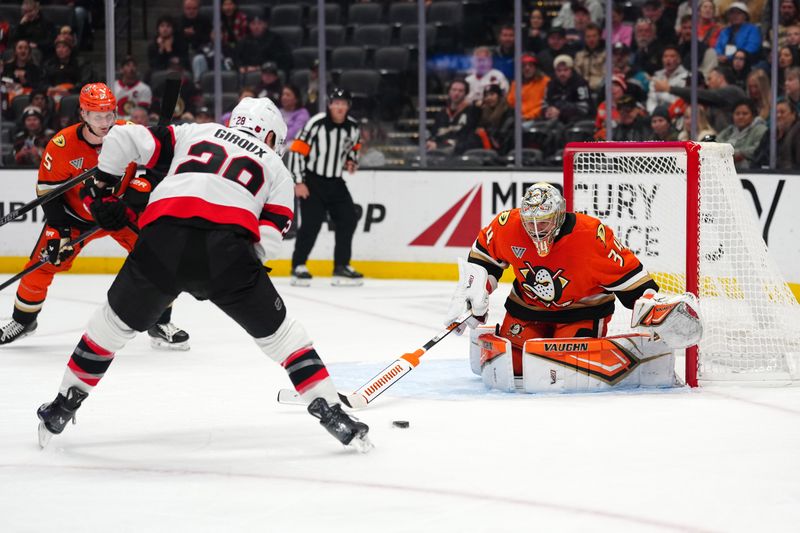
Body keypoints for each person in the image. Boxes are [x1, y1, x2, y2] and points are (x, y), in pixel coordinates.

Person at [34, 96, 372, 452]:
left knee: (109, 330)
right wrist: (233, 273)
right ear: (271, 136)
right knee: (286, 341)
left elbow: (121, 138)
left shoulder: (196, 132)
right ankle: (333, 413)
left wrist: (102, 190)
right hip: (227, 254)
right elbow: (270, 242)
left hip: (162, 239)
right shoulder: (276, 167)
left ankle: (62, 406)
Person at [0, 83, 190, 350]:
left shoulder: (129, 134)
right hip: (73, 218)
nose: (105, 122)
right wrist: (60, 230)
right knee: (43, 263)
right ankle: (23, 321)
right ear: (83, 114)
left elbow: (158, 165)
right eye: (97, 115)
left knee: (158, 257)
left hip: (118, 213)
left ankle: (159, 321)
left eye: (109, 114)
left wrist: (142, 187)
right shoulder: (62, 145)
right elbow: (48, 193)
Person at [444, 182, 661, 380]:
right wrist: (472, 293)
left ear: (558, 215)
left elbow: (634, 284)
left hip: (581, 313)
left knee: (564, 371)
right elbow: (484, 261)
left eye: (544, 223)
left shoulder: (590, 235)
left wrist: (653, 307)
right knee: (511, 367)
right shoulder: (507, 226)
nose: (536, 231)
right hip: (527, 309)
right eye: (530, 223)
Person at [288, 88, 364, 287]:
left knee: (348, 219)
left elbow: (354, 147)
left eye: (343, 103)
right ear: (329, 105)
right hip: (313, 181)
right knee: (311, 225)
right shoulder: (316, 123)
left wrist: (351, 162)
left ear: (348, 106)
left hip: (335, 181)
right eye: (336, 103)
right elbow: (297, 150)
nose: (339, 107)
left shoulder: (353, 127)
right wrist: (298, 181)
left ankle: (341, 266)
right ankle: (298, 266)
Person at [426, 79, 479, 155]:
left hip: (458, 152)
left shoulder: (472, 112)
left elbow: (467, 138)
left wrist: (440, 145)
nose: (456, 93)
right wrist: (431, 141)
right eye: (454, 90)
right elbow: (434, 133)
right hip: (438, 151)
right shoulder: (442, 113)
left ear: (465, 94)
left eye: (460, 91)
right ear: (449, 92)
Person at [715, 98, 767, 169]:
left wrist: (739, 154)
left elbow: (758, 149)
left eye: (745, 114)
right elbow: (716, 144)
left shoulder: (761, 129)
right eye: (737, 114)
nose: (740, 117)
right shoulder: (729, 130)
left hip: (751, 169)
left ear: (753, 116)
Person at [507, 53, 550, 123]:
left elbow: (545, 105)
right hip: (517, 119)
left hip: (537, 120)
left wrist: (527, 116)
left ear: (536, 67)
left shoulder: (545, 81)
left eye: (530, 65)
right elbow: (510, 102)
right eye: (524, 66)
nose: (527, 68)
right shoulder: (515, 83)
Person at [647, 45, 689, 112]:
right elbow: (651, 99)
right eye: (665, 56)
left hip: (676, 113)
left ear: (679, 59)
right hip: (656, 115)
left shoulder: (686, 77)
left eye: (672, 56)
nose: (668, 59)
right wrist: (653, 113)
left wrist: (661, 92)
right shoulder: (656, 76)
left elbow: (677, 100)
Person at [574, 22, 606, 92]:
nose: (591, 39)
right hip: (582, 90)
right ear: (584, 38)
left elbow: (605, 77)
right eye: (588, 36)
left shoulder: (606, 55)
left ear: (599, 37)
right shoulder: (579, 55)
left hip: (600, 91)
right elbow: (577, 76)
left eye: (594, 36)